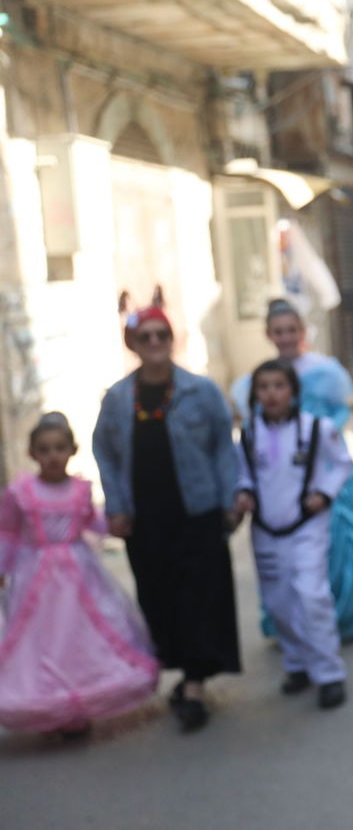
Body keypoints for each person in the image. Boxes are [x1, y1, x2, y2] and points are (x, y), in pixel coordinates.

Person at [93, 306, 242, 732]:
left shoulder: (201, 391)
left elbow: (222, 447)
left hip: (197, 511)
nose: (156, 343)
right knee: (158, 598)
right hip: (145, 518)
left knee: (199, 594)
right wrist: (116, 506)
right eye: (147, 337)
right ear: (133, 345)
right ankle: (181, 668)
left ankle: (194, 683)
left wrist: (230, 498)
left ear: (172, 339)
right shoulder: (119, 398)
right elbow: (104, 451)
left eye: (163, 335)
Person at [232, 300, 353, 641]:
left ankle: (346, 611)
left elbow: (338, 412)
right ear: (269, 335)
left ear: (302, 332)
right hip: (282, 473)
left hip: (326, 464)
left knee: (339, 537)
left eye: (292, 330)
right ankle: (295, 626)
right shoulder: (256, 380)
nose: (286, 337)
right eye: (279, 331)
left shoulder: (326, 371)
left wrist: (316, 445)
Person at [0, 413, 159, 737]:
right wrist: (3, 568)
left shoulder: (80, 490)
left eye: (59, 448)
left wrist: (119, 525)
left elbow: (92, 523)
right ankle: (51, 703)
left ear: (72, 450)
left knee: (82, 636)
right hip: (36, 580)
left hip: (79, 576)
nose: (53, 456)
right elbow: (10, 534)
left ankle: (81, 702)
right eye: (44, 450)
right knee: (42, 640)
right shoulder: (21, 493)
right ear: (33, 454)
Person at [232, 360, 353, 710]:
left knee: (311, 595)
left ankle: (329, 673)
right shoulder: (250, 434)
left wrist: (325, 493)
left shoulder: (317, 428)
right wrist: (243, 492)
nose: (271, 394)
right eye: (264, 387)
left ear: (294, 392)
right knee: (278, 600)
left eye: (279, 385)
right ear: (254, 394)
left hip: (307, 524)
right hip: (266, 528)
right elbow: (244, 474)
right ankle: (296, 663)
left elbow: (342, 463)